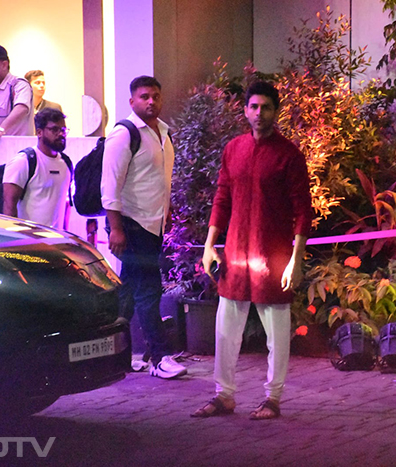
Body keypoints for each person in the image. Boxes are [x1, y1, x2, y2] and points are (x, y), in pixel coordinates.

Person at [193, 81, 312, 420]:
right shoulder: (234, 149)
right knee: (226, 329)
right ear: (245, 110)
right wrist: (209, 245)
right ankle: (224, 395)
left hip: (272, 253)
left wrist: (296, 260)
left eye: (267, 107)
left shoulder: (288, 154)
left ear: (277, 111)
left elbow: (303, 209)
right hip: (234, 252)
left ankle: (273, 398)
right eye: (254, 107)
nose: (259, 113)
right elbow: (222, 198)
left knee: (276, 330)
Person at [100, 75, 187, 379]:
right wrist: (115, 229)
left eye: (156, 96)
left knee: (129, 289)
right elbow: (110, 186)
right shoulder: (124, 134)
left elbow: (158, 178)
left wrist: (167, 210)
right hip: (132, 224)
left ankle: (116, 355)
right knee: (149, 289)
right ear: (132, 101)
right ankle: (160, 356)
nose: (151, 102)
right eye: (144, 97)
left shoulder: (163, 132)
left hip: (154, 224)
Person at [2, 108, 71, 229]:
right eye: (55, 129)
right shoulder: (23, 161)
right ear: (39, 132)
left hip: (56, 241)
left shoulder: (66, 163)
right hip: (28, 242)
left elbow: (65, 205)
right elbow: (9, 208)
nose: (61, 134)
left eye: (63, 130)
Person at [0, 44, 34, 167]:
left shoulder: (18, 85)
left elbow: (22, 108)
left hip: (16, 158)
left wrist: (1, 129)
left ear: (4, 64)